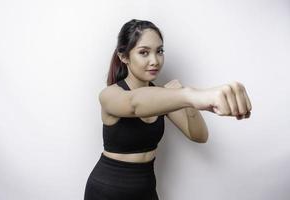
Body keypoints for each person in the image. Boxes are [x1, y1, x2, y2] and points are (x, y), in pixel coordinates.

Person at [84, 19, 252, 200]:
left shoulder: (165, 98)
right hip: (107, 190)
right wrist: (190, 94)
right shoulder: (110, 95)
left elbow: (199, 136)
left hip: (145, 190)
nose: (154, 60)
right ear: (124, 57)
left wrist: (187, 102)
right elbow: (134, 104)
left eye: (159, 51)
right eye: (144, 52)